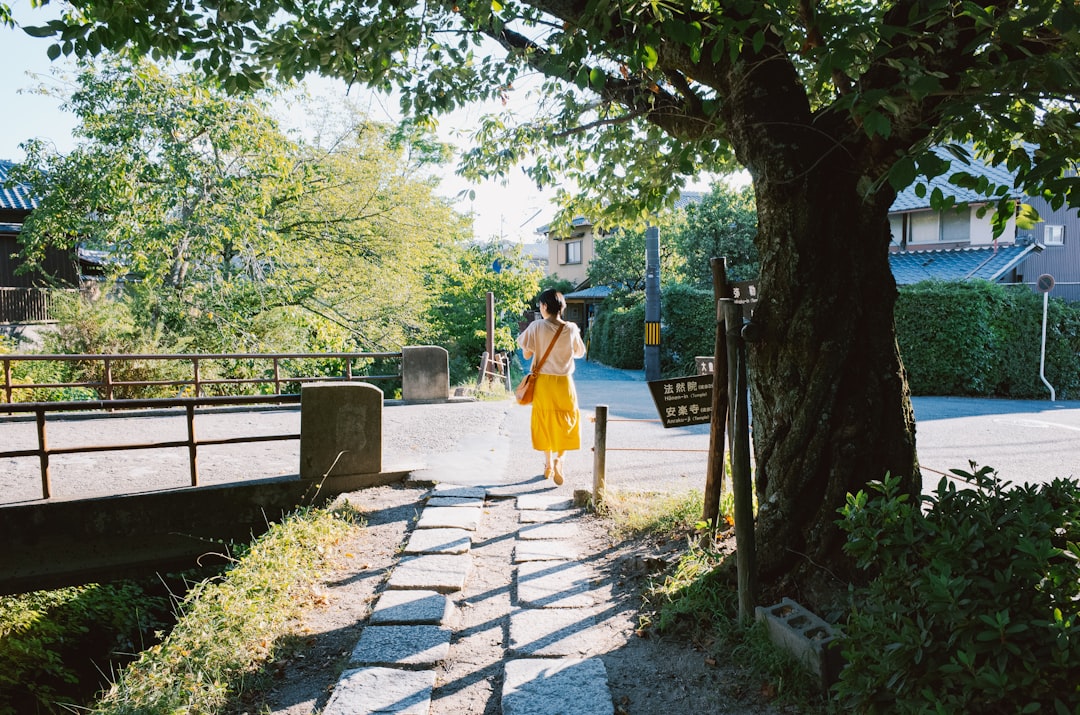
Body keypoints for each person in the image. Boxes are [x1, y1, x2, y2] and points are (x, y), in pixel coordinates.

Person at [516, 289, 587, 486]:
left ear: (545, 306)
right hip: (564, 382)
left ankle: (547, 465)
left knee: (545, 420)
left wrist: (537, 346)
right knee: (567, 420)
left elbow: (527, 355)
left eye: (540, 305)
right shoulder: (571, 328)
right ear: (562, 308)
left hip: (544, 383)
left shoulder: (536, 326)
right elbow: (580, 352)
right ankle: (559, 460)